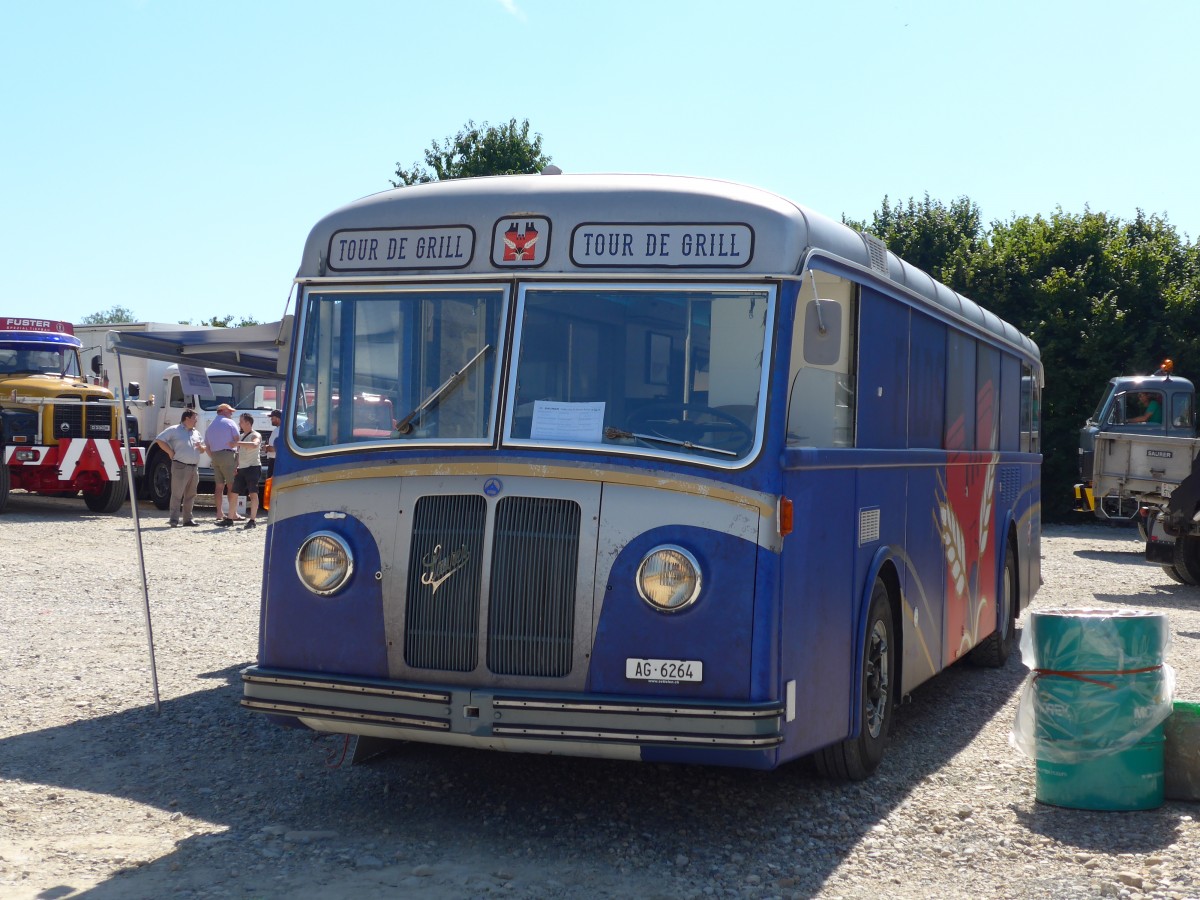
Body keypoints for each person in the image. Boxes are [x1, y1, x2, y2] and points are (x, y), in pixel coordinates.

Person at [153, 409, 206, 527]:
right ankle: (174, 519)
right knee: (177, 494)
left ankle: (187, 519)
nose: (196, 420)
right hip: (180, 466)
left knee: (191, 494)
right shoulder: (174, 430)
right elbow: (159, 439)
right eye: (194, 418)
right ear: (187, 419)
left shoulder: (196, 433)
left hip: (194, 468)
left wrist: (201, 448)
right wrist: (170, 452)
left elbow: (203, 449)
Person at [205, 402, 242, 523]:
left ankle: (219, 512)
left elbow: (207, 445)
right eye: (229, 411)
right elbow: (237, 440)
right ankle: (233, 513)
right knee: (232, 485)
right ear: (223, 411)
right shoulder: (230, 423)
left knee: (219, 486)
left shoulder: (210, 425)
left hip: (215, 456)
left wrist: (213, 456)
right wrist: (238, 457)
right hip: (228, 455)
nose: (231, 413)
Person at [229, 412, 263, 529]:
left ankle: (252, 520)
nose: (239, 423)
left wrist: (237, 443)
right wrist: (236, 466)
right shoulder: (242, 435)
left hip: (253, 467)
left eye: (241, 421)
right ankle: (229, 518)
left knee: (253, 493)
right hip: (242, 468)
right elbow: (239, 453)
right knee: (234, 493)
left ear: (248, 423)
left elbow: (255, 444)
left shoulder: (255, 434)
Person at [265, 409, 282, 477]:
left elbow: (274, 448)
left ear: (277, 418)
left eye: (272, 418)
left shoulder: (278, 431)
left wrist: (266, 447)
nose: (271, 419)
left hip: (274, 461)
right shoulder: (281, 430)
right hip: (278, 461)